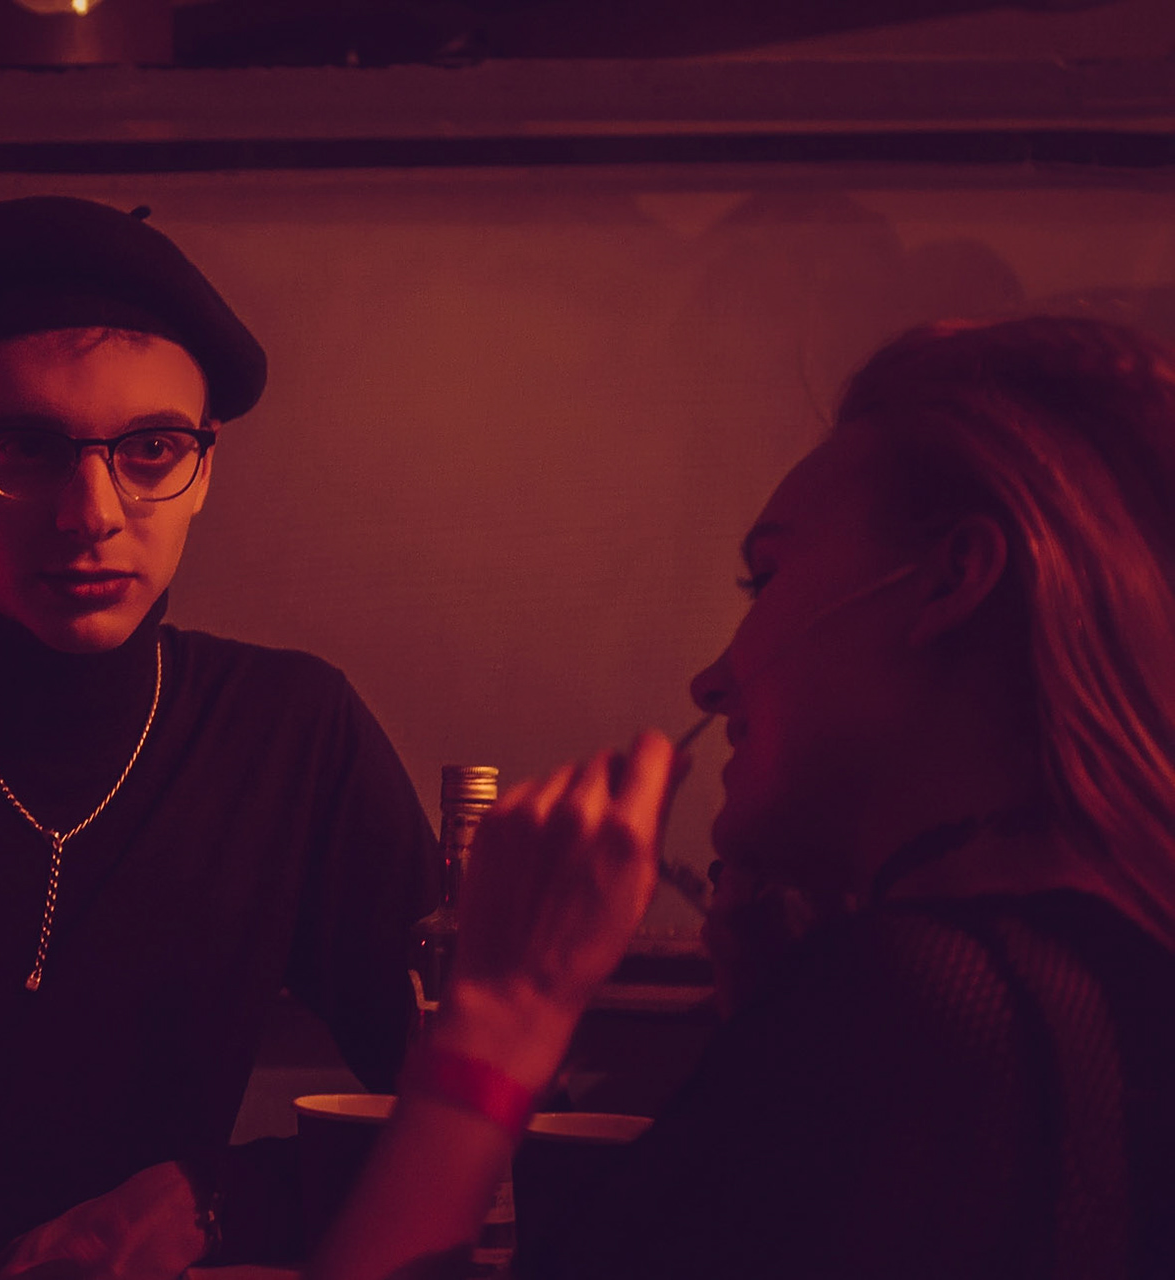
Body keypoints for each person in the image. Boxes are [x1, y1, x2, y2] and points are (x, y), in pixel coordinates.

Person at [313, 314, 1175, 1280]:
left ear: (950, 580)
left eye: (763, 579)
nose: (712, 683)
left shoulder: (922, 1004)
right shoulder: (1113, 967)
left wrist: (502, 1012)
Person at [0, 196, 440, 1278]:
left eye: (152, 449)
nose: (93, 512)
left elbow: (475, 1111)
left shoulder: (287, 735)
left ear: (205, 468)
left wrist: (220, 1200)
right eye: (28, 448)